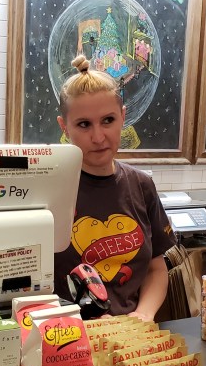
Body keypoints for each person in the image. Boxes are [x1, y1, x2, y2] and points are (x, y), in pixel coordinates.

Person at [53, 55, 176, 321]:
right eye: (84, 124)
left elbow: (155, 268)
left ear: (123, 117)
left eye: (108, 120)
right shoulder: (49, 189)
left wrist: (143, 315)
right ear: (65, 127)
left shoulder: (141, 186)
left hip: (130, 336)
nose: (98, 137)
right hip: (67, 336)